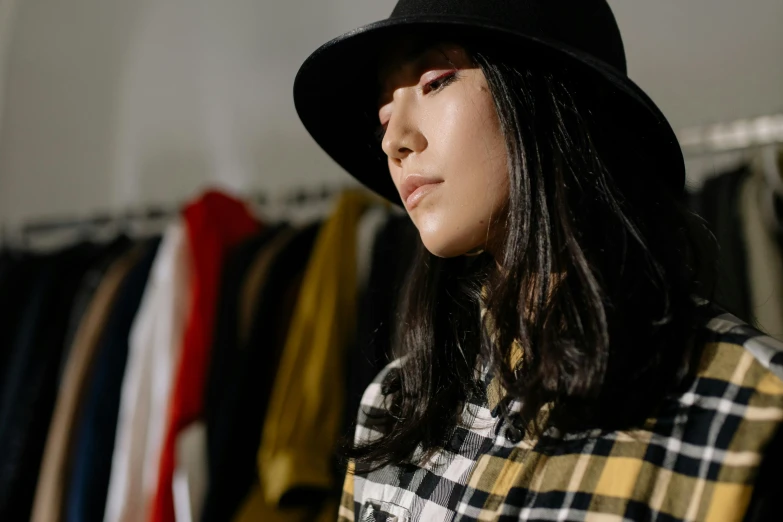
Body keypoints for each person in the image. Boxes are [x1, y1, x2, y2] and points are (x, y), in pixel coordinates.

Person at [293, 1, 783, 520]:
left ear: (544, 93)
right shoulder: (395, 410)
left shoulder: (748, 412)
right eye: (384, 120)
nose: (394, 141)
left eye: (435, 81)